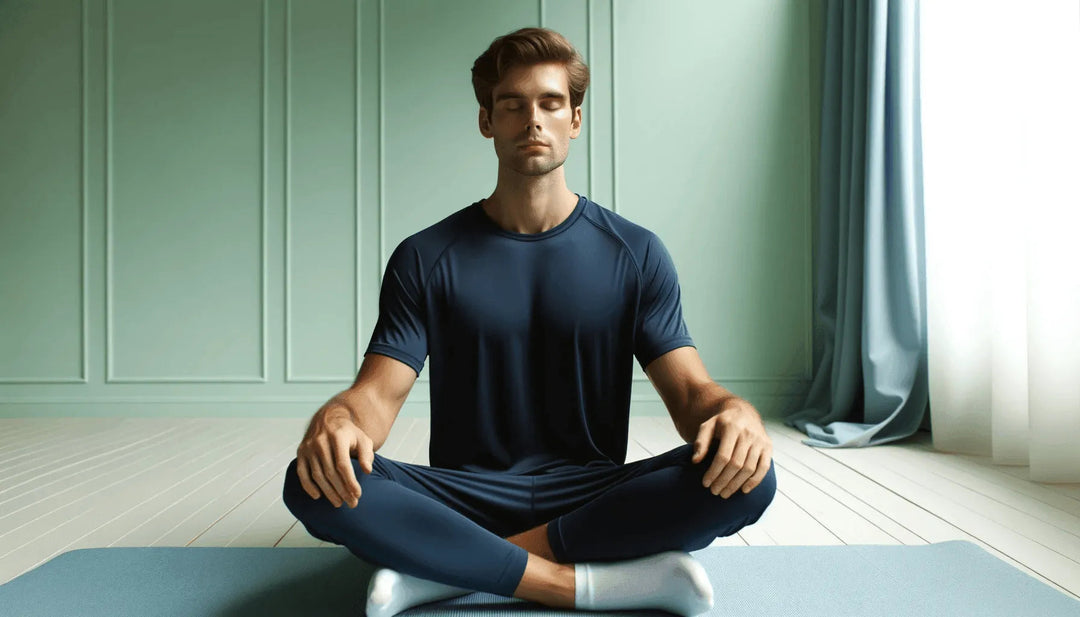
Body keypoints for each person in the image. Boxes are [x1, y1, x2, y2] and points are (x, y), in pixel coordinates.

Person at [282, 26, 776, 617]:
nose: (532, 120)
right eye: (512, 105)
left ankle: (444, 573)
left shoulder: (636, 253)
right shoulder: (425, 256)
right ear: (487, 121)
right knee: (309, 479)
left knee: (753, 476)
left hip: (589, 491)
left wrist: (735, 414)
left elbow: (693, 394)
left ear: (575, 119)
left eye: (550, 103)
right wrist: (336, 422)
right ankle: (578, 583)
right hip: (464, 494)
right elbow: (376, 400)